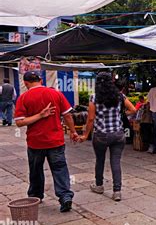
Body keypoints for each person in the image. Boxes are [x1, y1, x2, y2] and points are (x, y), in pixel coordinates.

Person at [14, 71, 78, 212]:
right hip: (56, 141)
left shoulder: (23, 98)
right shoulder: (56, 94)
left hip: (35, 142)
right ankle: (65, 196)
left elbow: (19, 122)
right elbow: (67, 116)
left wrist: (38, 116)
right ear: (41, 80)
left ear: (25, 83)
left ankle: (36, 195)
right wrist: (73, 132)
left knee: (36, 170)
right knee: (60, 169)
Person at [79, 72, 136, 201]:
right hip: (118, 134)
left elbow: (91, 119)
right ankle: (117, 191)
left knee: (100, 160)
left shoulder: (94, 98)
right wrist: (121, 114)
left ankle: (99, 186)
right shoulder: (120, 96)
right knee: (115, 162)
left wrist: (85, 135)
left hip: (101, 135)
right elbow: (133, 110)